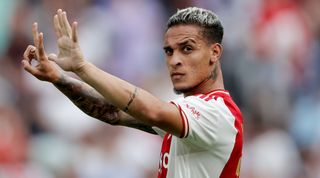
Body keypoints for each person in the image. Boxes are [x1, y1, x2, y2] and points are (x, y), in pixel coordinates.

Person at [22, 7, 243, 178]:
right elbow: (111, 112)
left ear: (214, 53)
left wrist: (82, 67)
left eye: (187, 48)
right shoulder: (187, 115)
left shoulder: (218, 113)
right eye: (169, 51)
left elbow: (150, 110)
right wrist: (58, 77)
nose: (175, 60)